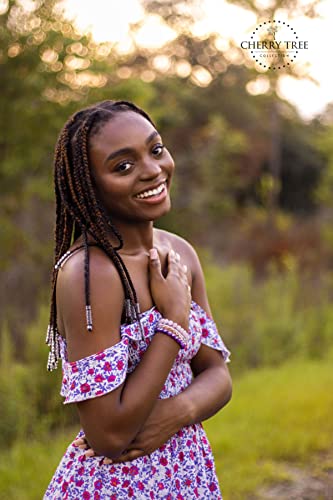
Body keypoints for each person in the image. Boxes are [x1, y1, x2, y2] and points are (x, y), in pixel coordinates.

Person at [44, 99, 232, 500]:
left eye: (156, 149)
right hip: (118, 484)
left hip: (186, 474)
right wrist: (174, 321)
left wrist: (174, 415)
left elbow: (218, 376)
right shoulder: (89, 275)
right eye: (123, 166)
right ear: (89, 186)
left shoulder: (180, 252)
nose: (152, 170)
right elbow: (110, 435)